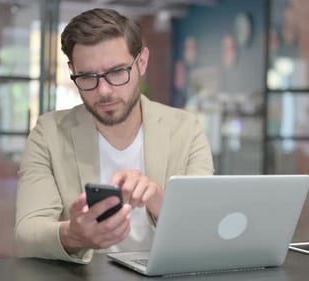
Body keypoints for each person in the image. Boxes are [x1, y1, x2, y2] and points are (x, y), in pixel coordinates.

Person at [14, 8, 214, 264]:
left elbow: (203, 230)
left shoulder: (185, 129)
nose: (104, 91)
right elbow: (27, 233)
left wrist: (157, 198)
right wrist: (72, 234)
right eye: (87, 76)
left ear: (141, 62)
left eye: (117, 71)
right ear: (73, 70)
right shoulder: (49, 133)